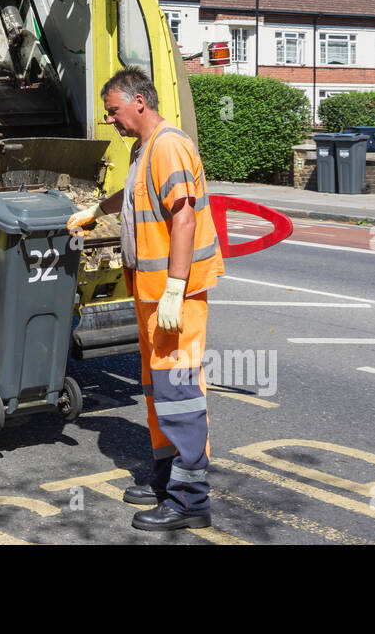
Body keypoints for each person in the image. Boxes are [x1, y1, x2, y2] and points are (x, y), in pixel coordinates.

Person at [67, 67, 224, 531]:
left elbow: (185, 219)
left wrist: (175, 286)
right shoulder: (145, 148)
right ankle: (165, 480)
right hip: (154, 296)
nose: (110, 120)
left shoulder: (169, 144)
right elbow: (135, 195)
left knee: (180, 396)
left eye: (113, 111)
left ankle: (190, 502)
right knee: (158, 393)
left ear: (139, 102)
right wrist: (97, 209)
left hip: (175, 295)